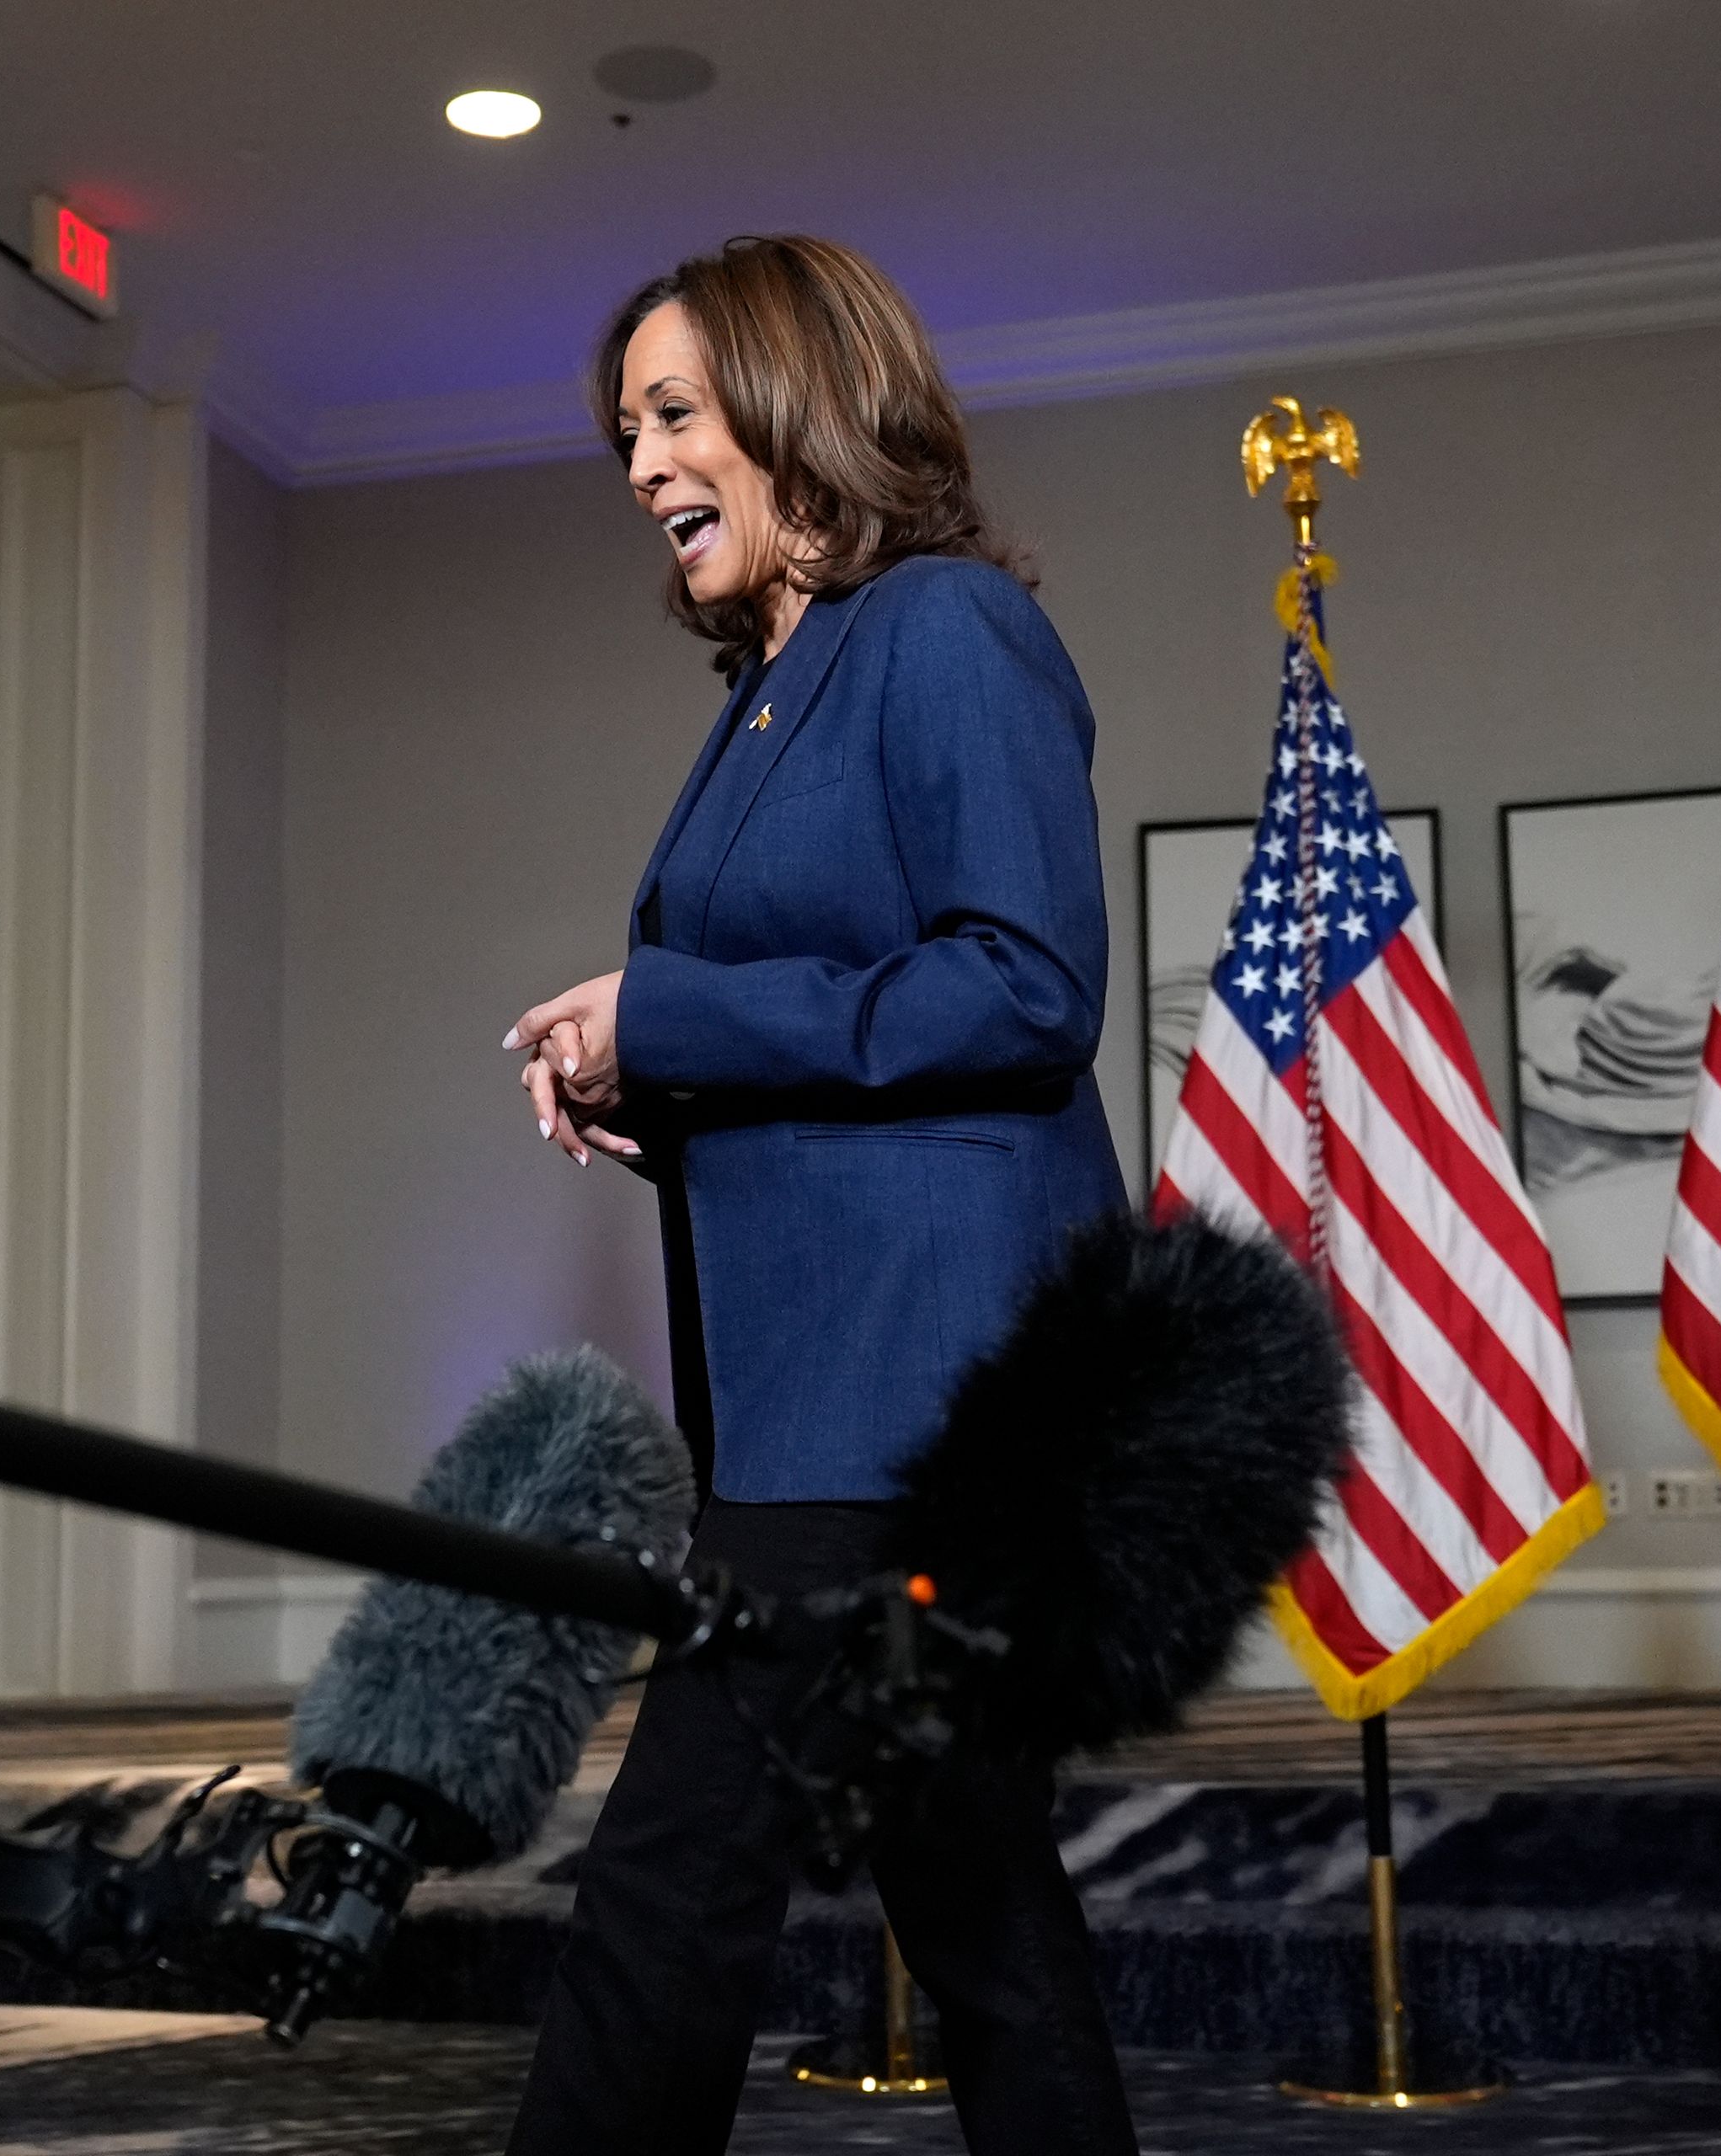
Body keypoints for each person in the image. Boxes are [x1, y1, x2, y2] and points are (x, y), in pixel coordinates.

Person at [498, 234, 1138, 2156]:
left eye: (676, 413)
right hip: (817, 1394)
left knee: (669, 1890)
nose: (639, 463)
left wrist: (672, 1009)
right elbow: (825, 1021)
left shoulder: (943, 628)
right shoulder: (773, 687)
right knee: (985, 1911)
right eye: (628, 429)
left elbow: (1026, 986)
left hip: (915, 1397)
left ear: (802, 408)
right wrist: (649, 1078)